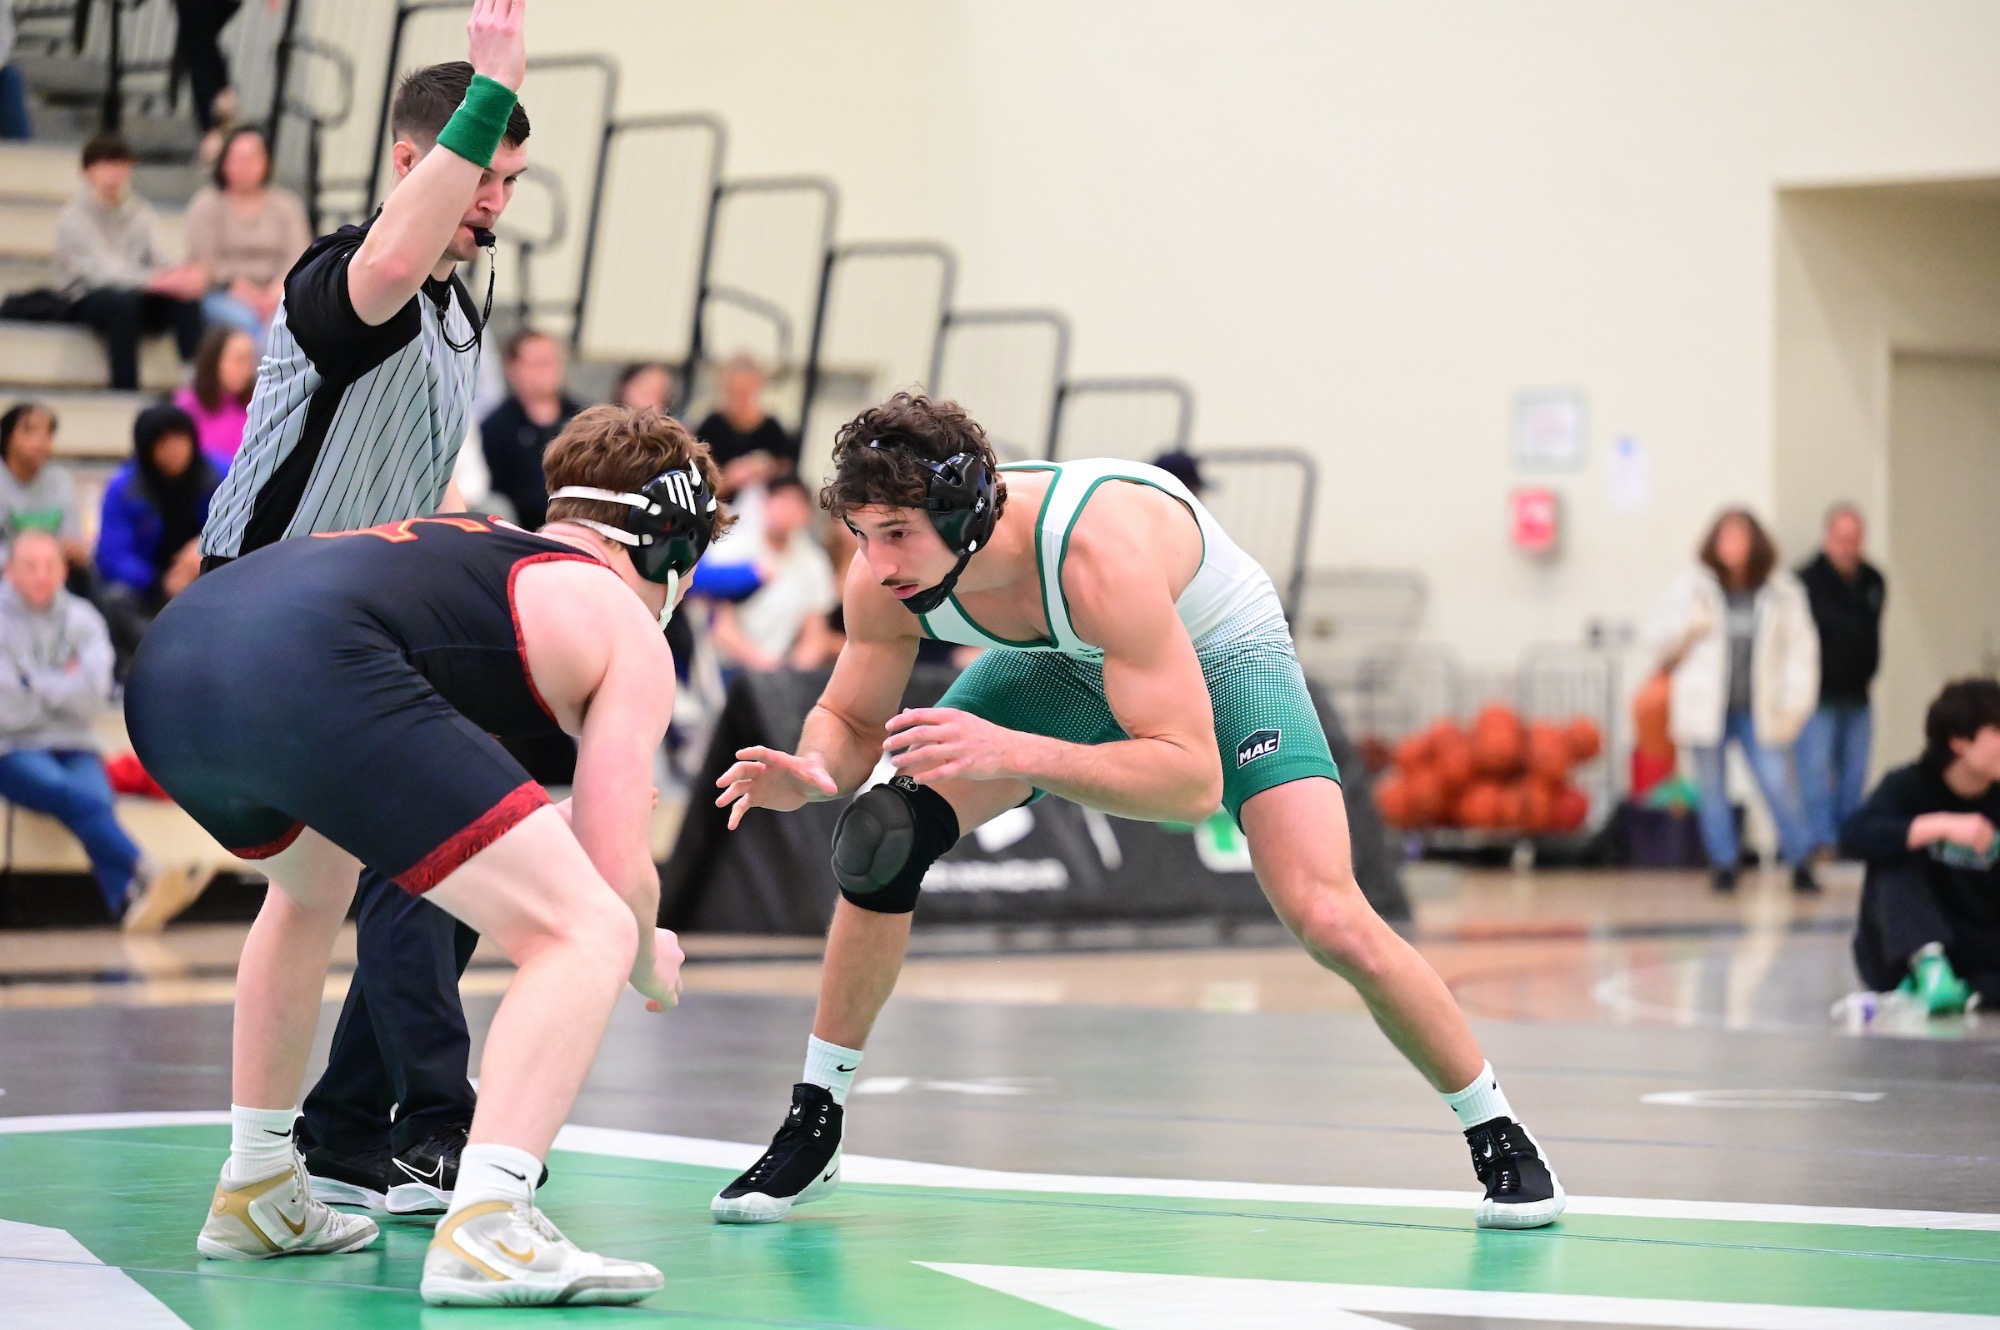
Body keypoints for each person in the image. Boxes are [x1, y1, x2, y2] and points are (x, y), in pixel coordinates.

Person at [709, 393, 1565, 1231]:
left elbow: (1190, 785)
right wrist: (814, 769)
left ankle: (1496, 1126)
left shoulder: (1095, 552)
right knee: (882, 839)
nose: (879, 560)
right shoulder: (885, 576)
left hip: (1221, 650)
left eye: (896, 533)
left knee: (1328, 914)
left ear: (962, 511)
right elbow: (853, 720)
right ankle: (816, 1119)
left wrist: (1017, 753)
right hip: (1073, 655)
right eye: (862, 535)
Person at [125, 404, 721, 1306]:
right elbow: (613, 862)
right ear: (668, 550)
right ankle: (490, 1225)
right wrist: (647, 952)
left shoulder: (469, 543)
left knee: (311, 884)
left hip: (176, 659)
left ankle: (255, 1186)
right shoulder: (622, 619)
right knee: (586, 933)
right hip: (310, 663)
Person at [195, 2, 535, 1224]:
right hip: (257, 618)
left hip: (351, 632)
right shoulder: (345, 275)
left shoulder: (460, 309)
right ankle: (425, 1132)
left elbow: (416, 473)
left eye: (509, 179)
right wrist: (487, 80)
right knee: (435, 856)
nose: (494, 198)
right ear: (412, 164)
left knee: (347, 885)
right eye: (478, 171)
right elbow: (393, 261)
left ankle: (308, 1155)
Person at [1647, 508, 1821, 894]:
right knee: (1712, 789)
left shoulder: (1782, 590)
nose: (1732, 546)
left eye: (1739, 538)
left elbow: (1802, 651)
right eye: (1725, 538)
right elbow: (1657, 642)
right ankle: (1724, 864)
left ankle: (1800, 859)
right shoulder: (1691, 587)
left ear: (1755, 542)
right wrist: (1688, 628)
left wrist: (1796, 704)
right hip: (1706, 708)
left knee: (1777, 784)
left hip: (1759, 709)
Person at [0, 529, 164, 923]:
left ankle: (127, 902)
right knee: (68, 791)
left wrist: (32, 682)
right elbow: (6, 710)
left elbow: (95, 694)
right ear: (10, 572)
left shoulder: (84, 618)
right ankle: (141, 867)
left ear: (62, 570)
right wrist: (64, 683)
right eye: (30, 566)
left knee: (93, 796)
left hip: (76, 741)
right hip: (12, 748)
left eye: (49, 565)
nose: (41, 575)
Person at [1842, 678, 2000, 1015]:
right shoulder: (1910, 785)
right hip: (1903, 949)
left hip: (1977, 949)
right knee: (1896, 847)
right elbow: (1855, 836)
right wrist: (1942, 826)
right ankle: (1929, 967)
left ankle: (1968, 991)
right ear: (1959, 741)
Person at [51, 134, 207, 391]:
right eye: (107, 165)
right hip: (85, 297)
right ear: (88, 171)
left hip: (136, 292)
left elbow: (163, 255)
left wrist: (183, 274)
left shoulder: (139, 210)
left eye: (121, 165)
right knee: (120, 303)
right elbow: (103, 272)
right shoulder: (74, 217)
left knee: (185, 296)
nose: (115, 173)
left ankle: (195, 379)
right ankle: (126, 389)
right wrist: (156, 281)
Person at [95, 405, 221, 670]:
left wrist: (204, 548)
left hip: (208, 576)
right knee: (115, 598)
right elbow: (111, 556)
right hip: (149, 587)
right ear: (146, 447)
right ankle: (153, 664)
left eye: (180, 437)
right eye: (163, 441)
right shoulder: (123, 488)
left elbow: (246, 522)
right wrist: (159, 581)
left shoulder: (222, 475)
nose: (174, 448)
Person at [1796, 503, 1886, 859]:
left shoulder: (1873, 580)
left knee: (1854, 776)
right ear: (1828, 537)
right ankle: (1822, 841)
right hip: (1819, 696)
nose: (1849, 546)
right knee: (1816, 775)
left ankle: (1850, 840)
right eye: (1842, 538)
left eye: (1855, 538)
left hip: (1859, 694)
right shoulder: (1805, 582)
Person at [183, 126, 312, 345]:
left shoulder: (287, 206)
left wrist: (275, 292)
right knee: (249, 324)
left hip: (279, 292)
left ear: (266, 162)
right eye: (237, 159)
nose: (245, 166)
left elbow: (299, 256)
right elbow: (207, 263)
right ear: (224, 163)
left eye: (252, 158)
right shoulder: (206, 205)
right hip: (224, 292)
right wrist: (249, 295)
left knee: (289, 321)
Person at [708, 474, 839, 673]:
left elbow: (815, 632)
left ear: (807, 513)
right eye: (782, 500)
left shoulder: (814, 562)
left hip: (780, 671)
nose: (787, 510)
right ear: (765, 503)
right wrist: (765, 665)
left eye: (796, 504)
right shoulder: (732, 548)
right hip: (725, 665)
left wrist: (792, 671)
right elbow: (721, 626)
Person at [480, 327, 581, 529]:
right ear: (511, 368)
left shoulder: (583, 421)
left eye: (550, 361)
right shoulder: (495, 427)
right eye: (536, 363)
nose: (545, 370)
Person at [0, 403, 90, 571]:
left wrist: (74, 550)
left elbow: (72, 538)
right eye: (30, 431)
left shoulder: (61, 480)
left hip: (53, 573)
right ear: (7, 437)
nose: (41, 440)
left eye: (48, 432)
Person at [694, 353, 798, 494]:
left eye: (748, 391)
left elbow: (787, 473)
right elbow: (697, 485)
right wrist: (730, 478)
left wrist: (767, 469)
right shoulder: (711, 428)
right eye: (736, 392)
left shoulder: (772, 428)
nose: (743, 399)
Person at [174, 325, 259, 468]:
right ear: (214, 360)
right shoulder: (186, 406)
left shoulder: (259, 406)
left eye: (250, 360)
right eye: (239, 359)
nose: (247, 368)